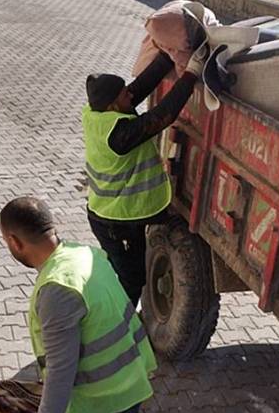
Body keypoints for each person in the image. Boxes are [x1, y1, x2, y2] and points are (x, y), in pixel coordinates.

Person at [0, 197, 156, 413]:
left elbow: (62, 368)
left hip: (99, 410)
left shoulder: (56, 290)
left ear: (14, 241)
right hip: (129, 387)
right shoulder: (84, 254)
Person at [84, 30, 207, 305]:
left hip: (115, 214)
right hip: (116, 220)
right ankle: (116, 324)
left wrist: (167, 55)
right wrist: (191, 74)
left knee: (127, 270)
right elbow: (163, 115)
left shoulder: (97, 112)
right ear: (114, 103)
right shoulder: (119, 135)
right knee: (130, 280)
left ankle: (115, 311)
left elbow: (139, 87)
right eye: (124, 94)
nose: (131, 94)